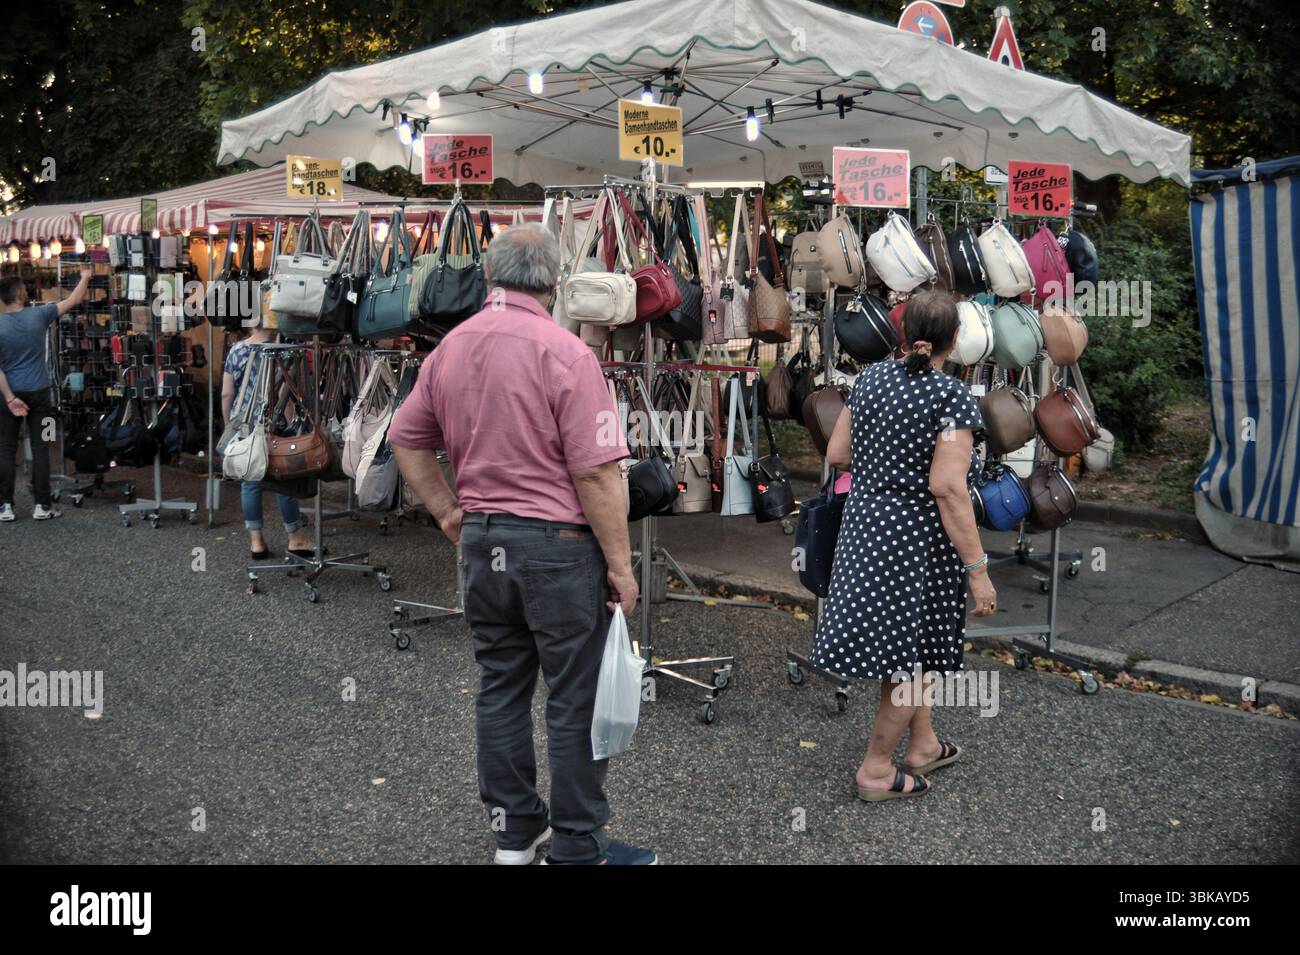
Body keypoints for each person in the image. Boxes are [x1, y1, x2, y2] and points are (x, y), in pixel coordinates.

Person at [390, 223, 654, 866]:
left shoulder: (449, 349)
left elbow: (405, 438)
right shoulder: (566, 353)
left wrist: (449, 511)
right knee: (573, 696)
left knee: (501, 687)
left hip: (484, 543)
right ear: (556, 282)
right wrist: (620, 564)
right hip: (557, 549)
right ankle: (577, 846)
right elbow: (594, 473)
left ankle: (515, 835)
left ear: (489, 275)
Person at [809, 291, 997, 802]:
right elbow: (948, 487)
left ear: (901, 331)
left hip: (866, 528)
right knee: (908, 660)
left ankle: (923, 745)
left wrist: (883, 478)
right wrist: (978, 568)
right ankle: (874, 770)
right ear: (954, 341)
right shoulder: (951, 397)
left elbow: (837, 453)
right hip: (917, 540)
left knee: (917, 646)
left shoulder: (868, 380)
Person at [0, 271, 92, 522]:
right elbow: (74, 299)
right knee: (42, 447)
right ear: (19, 293)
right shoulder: (39, 315)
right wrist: (85, 277)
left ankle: (5, 506)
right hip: (40, 393)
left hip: (8, 394)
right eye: (24, 289)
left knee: (6, 448)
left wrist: (9, 397)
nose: (27, 292)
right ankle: (42, 505)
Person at [220, 322, 313, 559]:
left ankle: (256, 542)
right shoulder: (285, 349)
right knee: (284, 479)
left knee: (249, 481)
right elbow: (288, 394)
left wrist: (229, 424)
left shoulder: (237, 351)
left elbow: (226, 393)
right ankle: (295, 538)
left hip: (246, 425)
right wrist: (293, 426)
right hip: (277, 422)